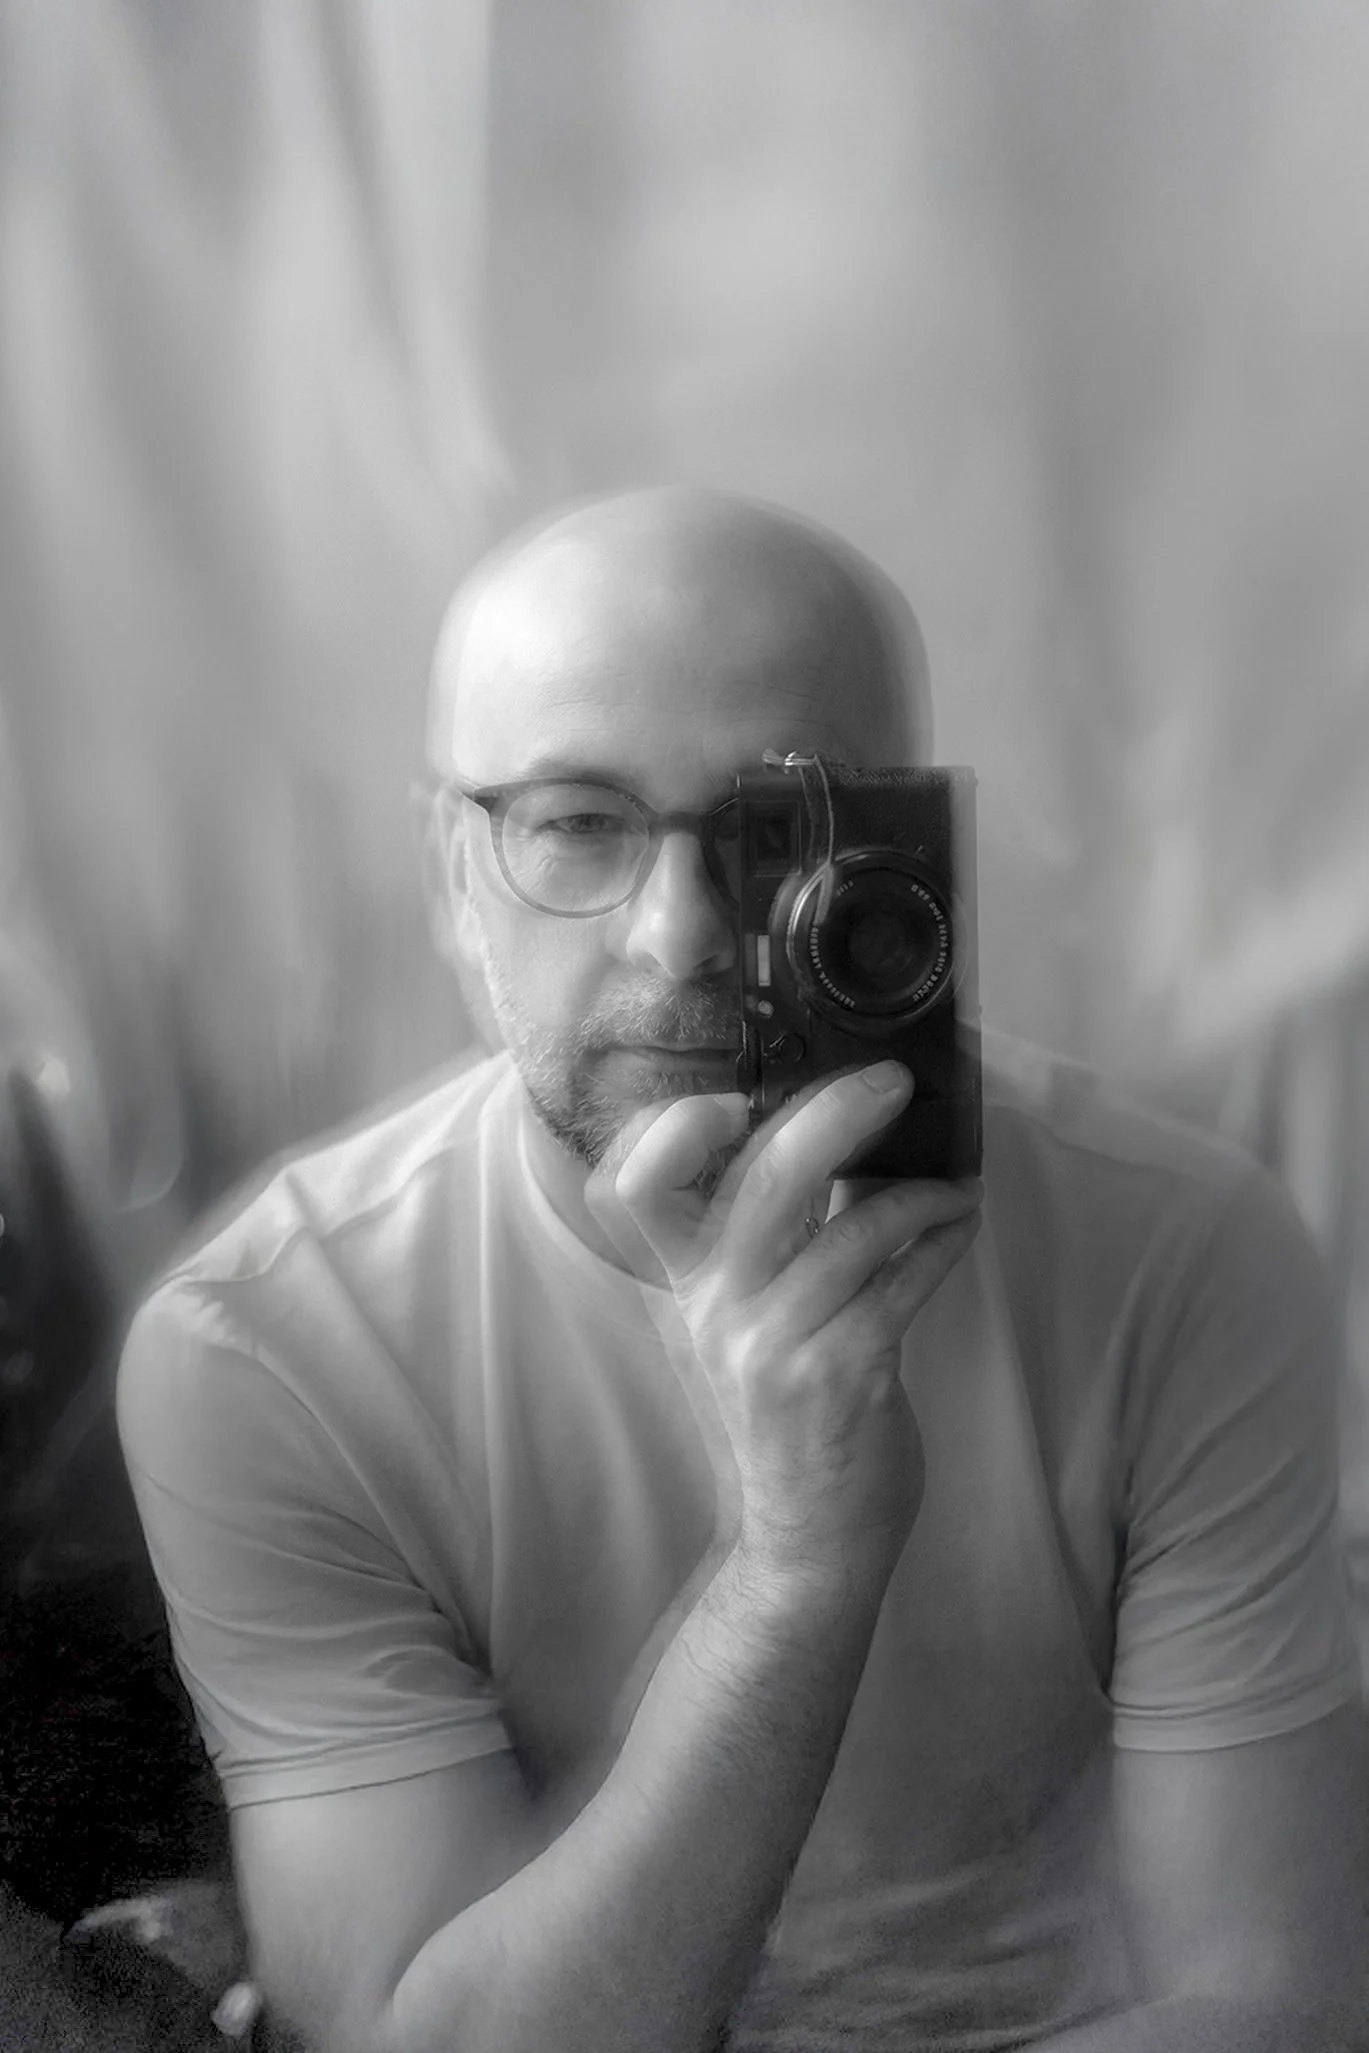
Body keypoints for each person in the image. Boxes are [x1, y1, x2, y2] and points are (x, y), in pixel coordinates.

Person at [116, 488, 1369, 2053]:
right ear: (452, 874)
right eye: (578, 821)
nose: (680, 931)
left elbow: (1276, 2000)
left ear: (913, 853)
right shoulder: (264, 1346)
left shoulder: (1183, 1251)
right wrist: (794, 1573)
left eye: (783, 827)